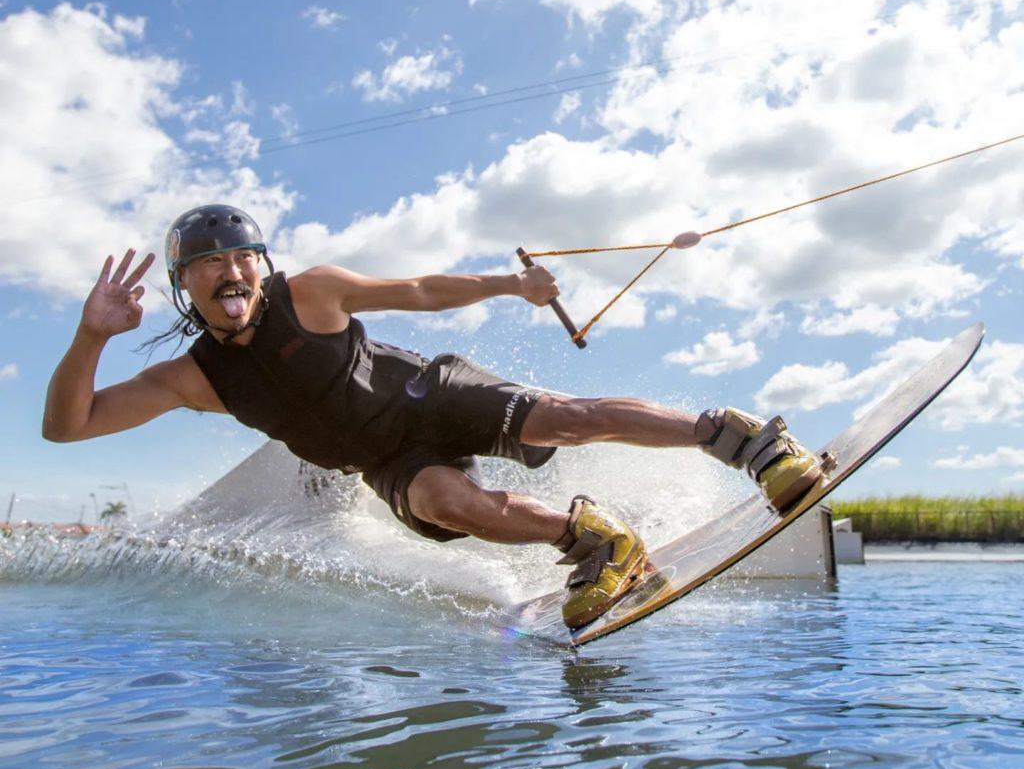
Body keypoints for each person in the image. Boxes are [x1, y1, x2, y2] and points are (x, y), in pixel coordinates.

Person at [43, 205, 822, 629]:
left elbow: (416, 290)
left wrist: (510, 288)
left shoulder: (309, 292)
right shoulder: (192, 378)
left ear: (264, 265)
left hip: (429, 393)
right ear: (186, 286)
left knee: (564, 418)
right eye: (209, 262)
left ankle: (744, 441)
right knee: (449, 504)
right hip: (388, 463)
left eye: (242, 254)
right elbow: (67, 427)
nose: (231, 268)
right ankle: (597, 542)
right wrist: (90, 336)